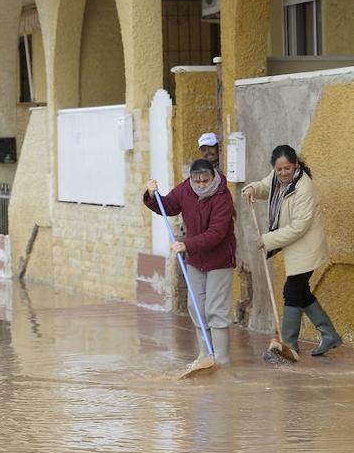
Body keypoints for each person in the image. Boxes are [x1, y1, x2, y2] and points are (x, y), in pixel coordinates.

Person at [242, 145, 341, 360]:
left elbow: (299, 227)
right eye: (279, 169)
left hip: (307, 248)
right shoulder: (277, 178)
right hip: (294, 248)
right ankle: (329, 334)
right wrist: (252, 189)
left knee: (292, 292)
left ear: (295, 165)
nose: (283, 173)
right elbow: (265, 186)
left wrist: (267, 240)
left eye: (287, 168)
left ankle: (288, 346)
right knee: (301, 291)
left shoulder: (305, 188)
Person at [144, 159, 237, 364]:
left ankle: (221, 359)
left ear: (213, 176)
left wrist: (187, 245)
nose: (202, 185)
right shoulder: (186, 189)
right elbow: (168, 205)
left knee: (215, 309)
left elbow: (217, 232)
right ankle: (204, 355)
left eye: (205, 180)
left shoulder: (223, 196)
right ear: (191, 179)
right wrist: (153, 195)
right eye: (197, 181)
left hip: (220, 259)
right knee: (196, 307)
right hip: (196, 260)